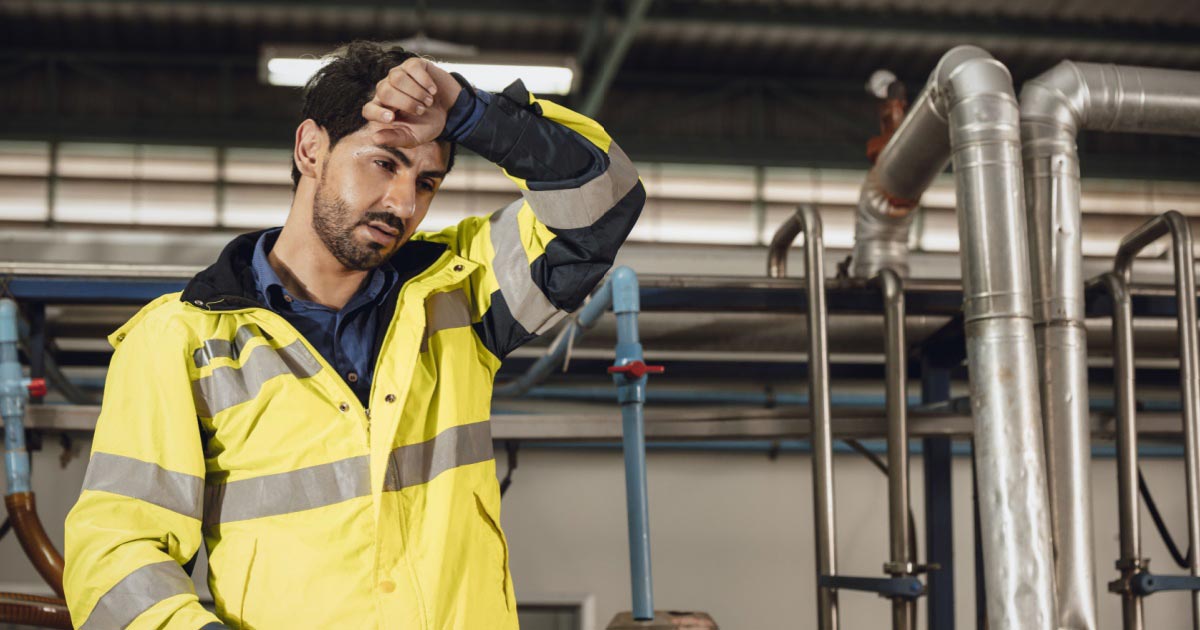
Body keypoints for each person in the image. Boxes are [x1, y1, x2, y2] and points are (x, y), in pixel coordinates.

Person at [63, 41, 644, 629]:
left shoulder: (461, 290)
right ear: (311, 148)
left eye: (428, 182)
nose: (403, 203)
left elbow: (605, 200)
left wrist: (471, 112)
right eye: (385, 163)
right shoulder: (181, 340)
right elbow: (117, 552)